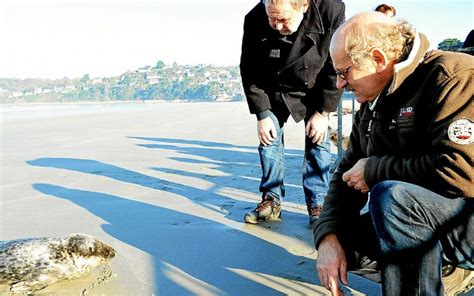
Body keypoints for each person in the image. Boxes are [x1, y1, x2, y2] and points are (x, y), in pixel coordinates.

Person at [312, 12, 473, 296]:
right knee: (343, 237)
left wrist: (375, 169)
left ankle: (451, 270)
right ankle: (444, 273)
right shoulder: (374, 102)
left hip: (466, 220)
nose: (339, 85)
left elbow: (463, 172)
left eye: (343, 72)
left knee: (392, 198)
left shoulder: (453, 76)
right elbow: (346, 173)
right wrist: (327, 237)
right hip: (432, 217)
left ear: (378, 58)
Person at [239, 0, 345, 227]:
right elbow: (249, 69)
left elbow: (335, 65)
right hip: (272, 86)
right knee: (268, 141)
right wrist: (262, 113)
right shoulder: (254, 18)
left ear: (304, 5)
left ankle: (318, 204)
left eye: (283, 19)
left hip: (316, 84)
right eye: (272, 18)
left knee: (319, 141)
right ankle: (271, 200)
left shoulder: (331, 10)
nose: (276, 26)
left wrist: (324, 112)